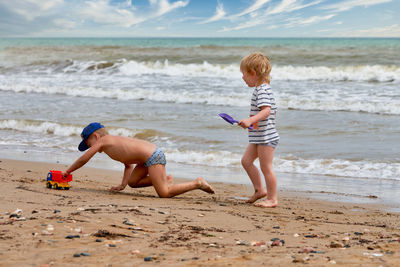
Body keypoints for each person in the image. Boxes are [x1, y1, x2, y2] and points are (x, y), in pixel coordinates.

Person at [63, 122, 215, 198]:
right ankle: (166, 179)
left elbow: (84, 159)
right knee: (132, 182)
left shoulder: (105, 141)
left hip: (154, 156)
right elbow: (128, 165)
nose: (89, 147)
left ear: (95, 137)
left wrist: (68, 171)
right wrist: (122, 185)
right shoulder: (111, 146)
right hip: (145, 160)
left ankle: (197, 183)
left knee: (164, 193)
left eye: (88, 143)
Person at [238, 52, 279, 208]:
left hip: (266, 137)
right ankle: (259, 190)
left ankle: (272, 198)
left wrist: (250, 120)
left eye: (244, 74)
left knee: (266, 167)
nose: (243, 78)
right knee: (246, 161)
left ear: (253, 73)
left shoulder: (262, 90)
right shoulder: (263, 89)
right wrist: (251, 124)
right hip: (259, 135)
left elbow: (266, 111)